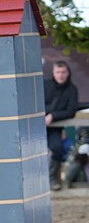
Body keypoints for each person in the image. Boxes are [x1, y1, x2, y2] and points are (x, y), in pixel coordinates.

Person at [44, 60, 79, 191]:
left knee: (58, 148)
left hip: (55, 127)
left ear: (68, 73)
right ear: (53, 73)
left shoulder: (72, 89)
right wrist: (45, 115)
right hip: (37, 126)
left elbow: (71, 111)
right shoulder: (45, 85)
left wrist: (53, 116)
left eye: (63, 72)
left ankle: (52, 179)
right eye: (58, 72)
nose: (61, 75)